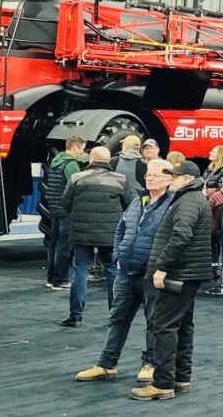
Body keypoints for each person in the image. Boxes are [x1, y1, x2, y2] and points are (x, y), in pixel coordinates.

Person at [74, 158, 174, 384]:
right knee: (117, 318)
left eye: (156, 175)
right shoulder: (138, 201)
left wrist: (161, 267)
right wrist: (119, 256)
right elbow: (121, 228)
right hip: (126, 272)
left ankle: (150, 364)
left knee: (154, 322)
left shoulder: (173, 205)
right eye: (149, 174)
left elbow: (175, 239)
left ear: (169, 179)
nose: (150, 178)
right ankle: (106, 364)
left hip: (152, 274)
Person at [130, 161, 212, 401]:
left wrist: (162, 266)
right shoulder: (195, 199)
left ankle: (163, 383)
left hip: (179, 273)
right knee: (183, 326)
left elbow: (180, 235)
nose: (171, 180)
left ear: (186, 179)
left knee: (164, 326)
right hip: (189, 273)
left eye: (174, 176)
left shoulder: (187, 201)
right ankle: (180, 378)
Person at [60, 146, 134, 328]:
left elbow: (65, 203)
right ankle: (115, 316)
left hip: (81, 234)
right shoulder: (120, 180)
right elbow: (129, 205)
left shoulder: (77, 178)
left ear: (91, 158)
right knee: (112, 272)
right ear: (108, 160)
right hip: (109, 234)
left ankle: (75, 316)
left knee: (80, 271)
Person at [44, 135, 85, 290]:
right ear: (74, 147)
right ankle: (60, 280)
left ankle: (51, 277)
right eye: (81, 149)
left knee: (53, 244)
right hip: (66, 210)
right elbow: (76, 187)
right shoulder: (71, 165)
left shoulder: (56, 162)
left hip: (54, 208)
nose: (82, 152)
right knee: (64, 246)